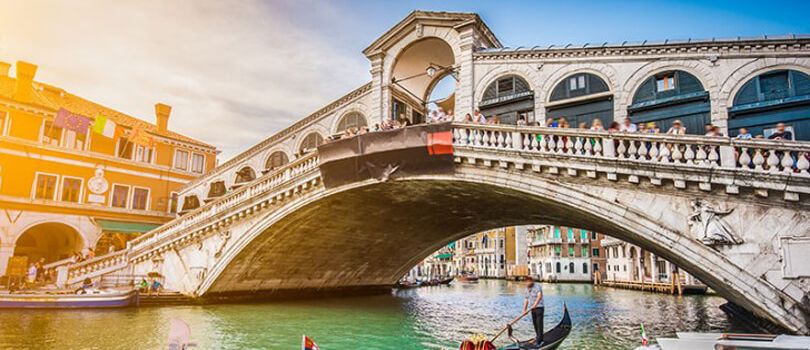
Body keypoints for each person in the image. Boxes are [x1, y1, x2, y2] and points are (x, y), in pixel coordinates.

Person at [517, 277, 544, 346]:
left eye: (528, 281)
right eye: (526, 282)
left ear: (532, 281)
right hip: (532, 309)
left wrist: (535, 304)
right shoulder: (526, 289)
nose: (527, 283)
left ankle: (540, 341)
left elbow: (539, 296)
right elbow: (526, 300)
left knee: (539, 324)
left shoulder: (537, 286)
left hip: (539, 308)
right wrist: (524, 310)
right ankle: (538, 337)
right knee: (535, 324)